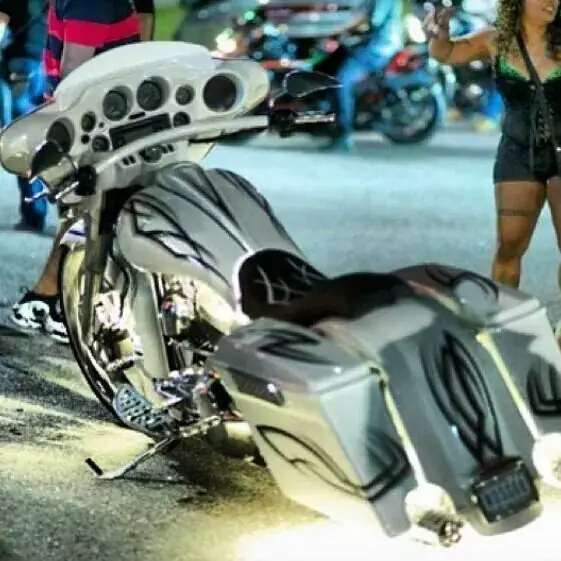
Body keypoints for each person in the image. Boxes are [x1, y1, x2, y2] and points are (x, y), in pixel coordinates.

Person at [10, 0, 155, 343]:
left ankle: (53, 300)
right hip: (98, 121)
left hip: (99, 120)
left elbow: (76, 71)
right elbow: (75, 69)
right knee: (88, 214)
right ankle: (60, 302)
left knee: (90, 213)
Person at [425, 1, 561, 291]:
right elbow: (445, 53)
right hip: (517, 153)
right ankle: (504, 314)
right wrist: (440, 34)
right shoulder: (495, 40)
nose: (552, 2)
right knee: (509, 246)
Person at [328, 0, 404, 151]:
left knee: (341, 82)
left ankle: (344, 133)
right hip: (381, 45)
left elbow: (372, 20)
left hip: (379, 48)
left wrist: (340, 29)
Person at [0, 0, 49, 232]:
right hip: (47, 64)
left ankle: (34, 212)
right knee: (42, 138)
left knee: (23, 141)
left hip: (21, 68)